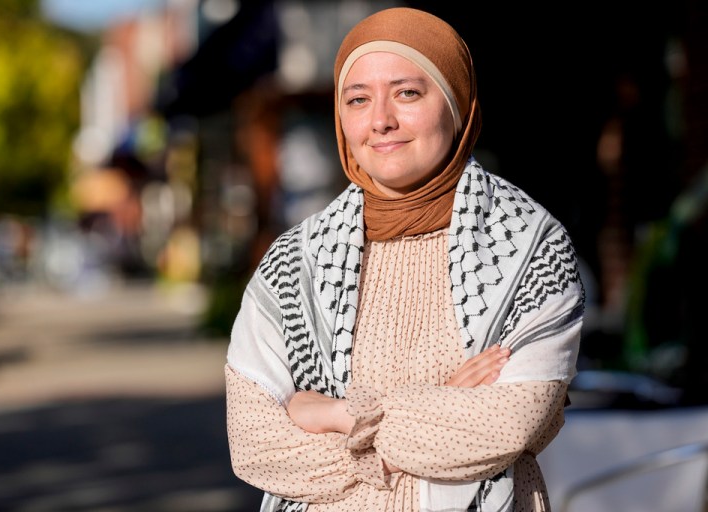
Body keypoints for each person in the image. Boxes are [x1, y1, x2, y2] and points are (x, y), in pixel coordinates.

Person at [225, 7, 584, 512]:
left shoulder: (530, 248)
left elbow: (509, 424)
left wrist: (334, 415)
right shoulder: (292, 265)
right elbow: (257, 447)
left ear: (457, 103)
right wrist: (443, 404)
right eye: (358, 99)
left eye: (408, 93)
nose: (381, 121)